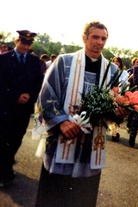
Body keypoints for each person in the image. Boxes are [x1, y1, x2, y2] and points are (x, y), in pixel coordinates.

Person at [34, 21, 127, 207]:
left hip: (91, 144)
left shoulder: (113, 71)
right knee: (53, 198)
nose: (99, 42)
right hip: (63, 139)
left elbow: (117, 104)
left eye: (103, 38)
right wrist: (61, 123)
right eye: (95, 37)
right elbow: (47, 96)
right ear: (84, 38)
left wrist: (120, 111)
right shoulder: (64, 62)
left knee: (83, 197)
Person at [0, 30, 44, 187]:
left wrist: (29, 95)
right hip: (5, 107)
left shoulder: (34, 61)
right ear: (16, 41)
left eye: (28, 43)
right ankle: (4, 171)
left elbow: (39, 84)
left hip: (23, 109)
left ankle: (6, 165)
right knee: (3, 139)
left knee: (16, 139)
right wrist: (15, 96)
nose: (25, 46)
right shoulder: (3, 59)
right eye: (23, 42)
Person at [110, 56, 129, 141]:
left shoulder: (124, 73)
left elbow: (126, 84)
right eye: (114, 61)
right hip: (111, 94)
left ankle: (115, 131)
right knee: (112, 114)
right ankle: (114, 133)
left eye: (117, 61)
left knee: (118, 116)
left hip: (120, 95)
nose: (116, 63)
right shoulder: (110, 71)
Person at [126, 57, 138, 132]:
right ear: (133, 63)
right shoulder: (130, 71)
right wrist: (131, 76)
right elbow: (126, 80)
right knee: (131, 109)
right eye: (136, 62)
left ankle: (135, 126)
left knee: (137, 110)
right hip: (131, 92)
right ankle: (129, 125)